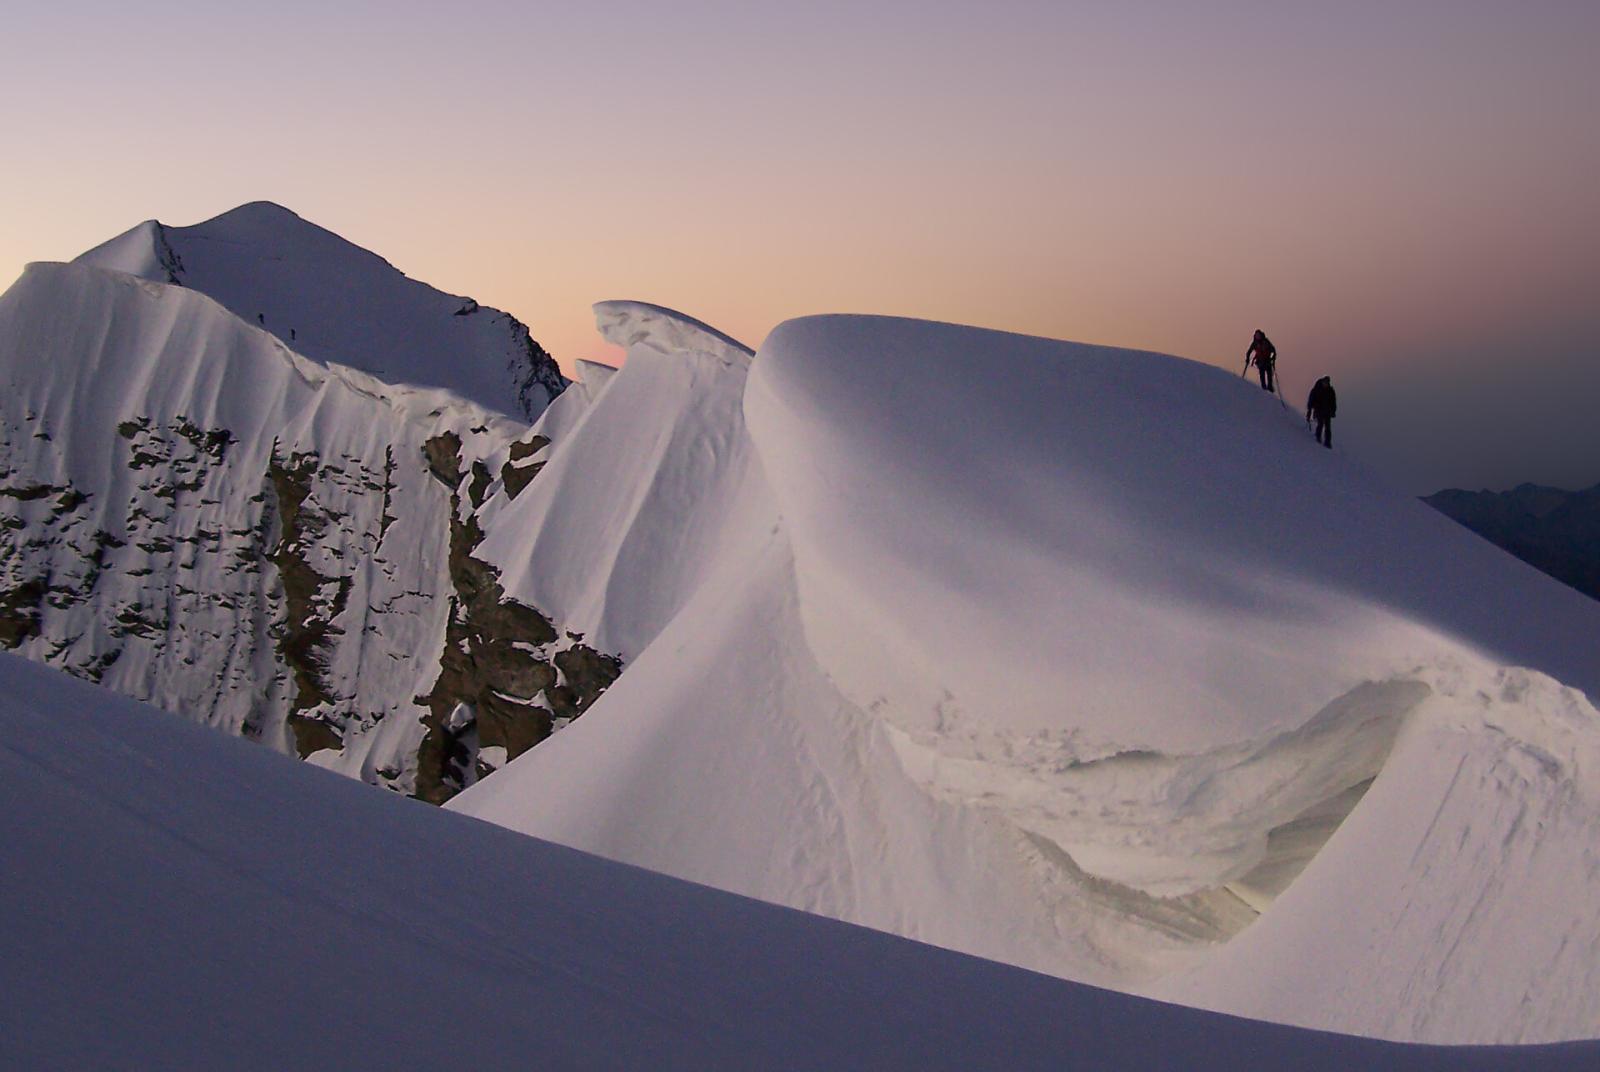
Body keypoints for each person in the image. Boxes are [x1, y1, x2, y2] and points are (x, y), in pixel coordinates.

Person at [1306, 376, 1336, 448]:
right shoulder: (1317, 390)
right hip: (1319, 411)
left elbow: (1333, 402)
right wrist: (1309, 411)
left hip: (1327, 412)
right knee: (1320, 424)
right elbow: (1311, 401)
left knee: (1328, 427)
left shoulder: (1330, 391)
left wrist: (1333, 411)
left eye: (1327, 382)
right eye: (1325, 382)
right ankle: (1318, 437)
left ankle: (1327, 442)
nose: (1326, 384)